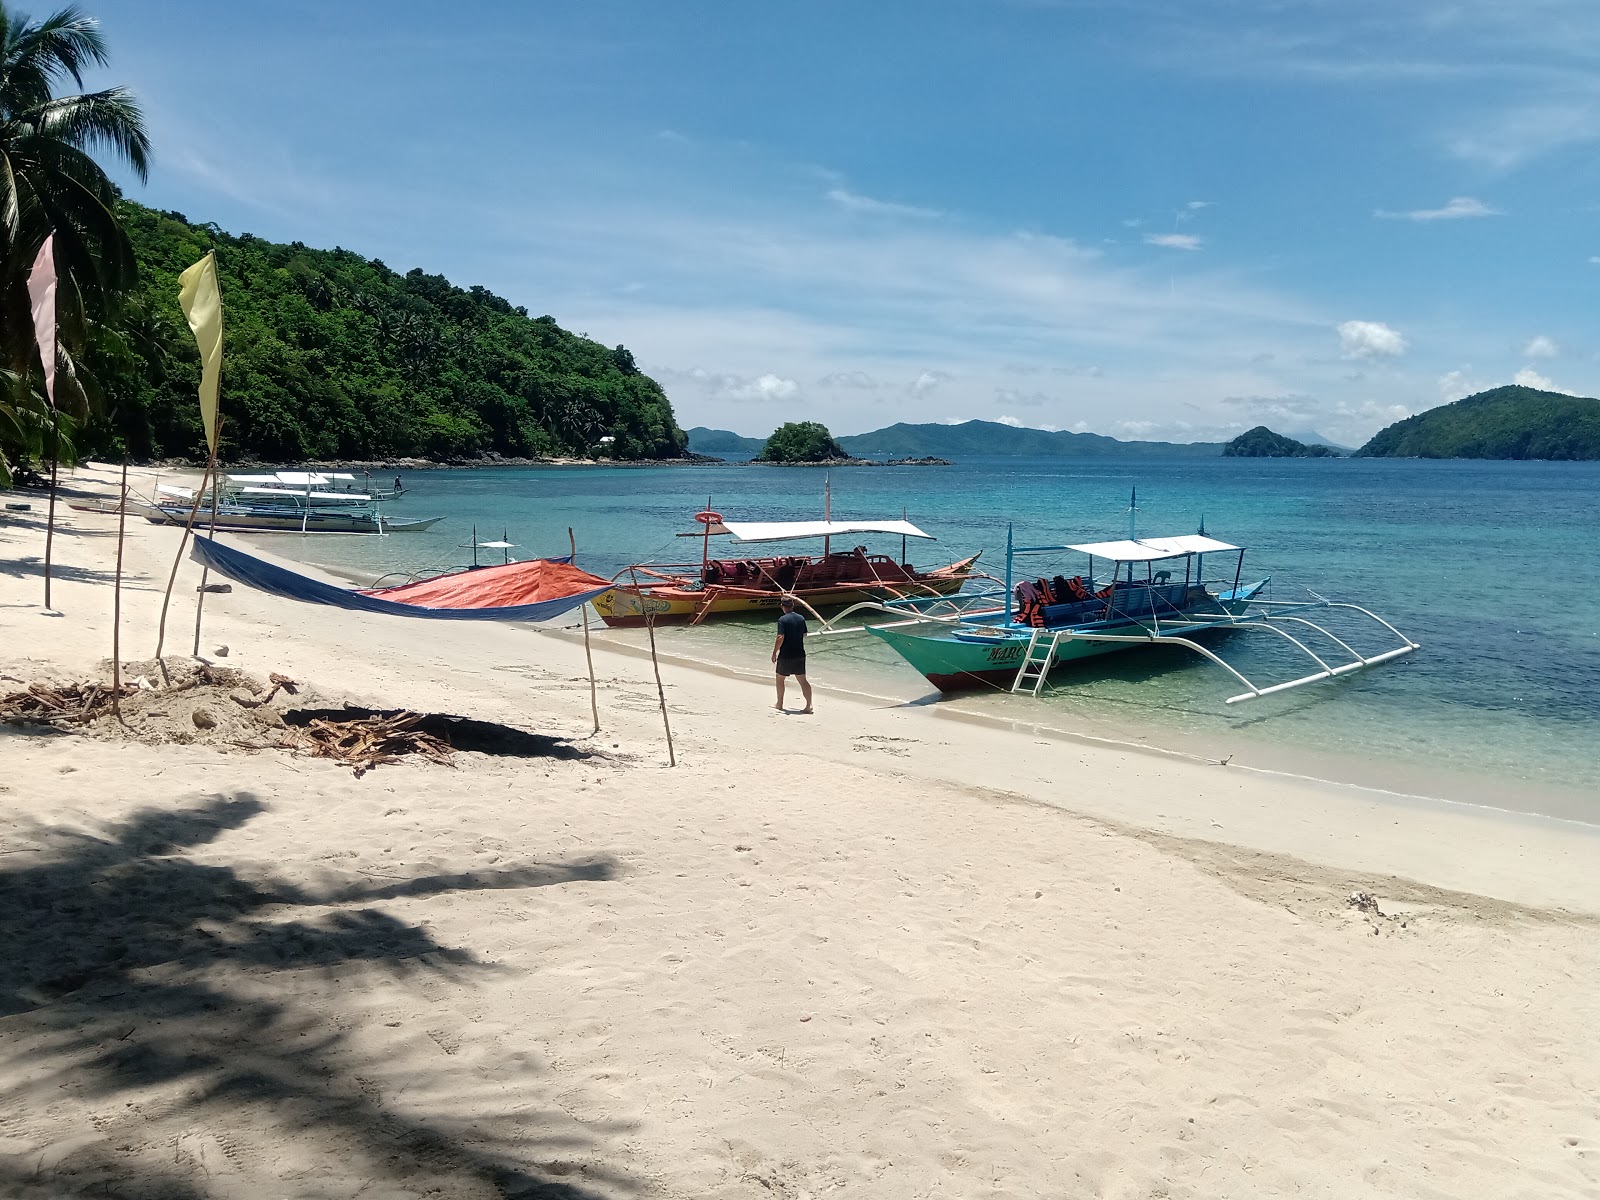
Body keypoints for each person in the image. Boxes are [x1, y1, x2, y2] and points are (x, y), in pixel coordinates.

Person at [772, 596, 813, 713]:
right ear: (793, 605)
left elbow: (780, 637)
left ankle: (779, 704)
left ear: (782, 606)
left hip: (786, 654)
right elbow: (805, 633)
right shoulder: (801, 618)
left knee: (780, 679)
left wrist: (774, 652)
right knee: (803, 680)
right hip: (800, 653)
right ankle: (808, 705)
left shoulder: (782, 620)